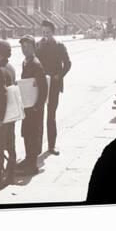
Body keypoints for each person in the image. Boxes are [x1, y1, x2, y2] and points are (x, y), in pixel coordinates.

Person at [36, 20, 72, 155]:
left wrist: (59, 76)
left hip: (54, 86)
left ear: (53, 33)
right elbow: (34, 62)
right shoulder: (38, 45)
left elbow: (68, 64)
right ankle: (37, 148)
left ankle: (51, 146)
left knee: (51, 116)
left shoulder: (59, 46)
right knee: (38, 116)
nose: (46, 35)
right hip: (41, 85)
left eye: (48, 33)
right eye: (43, 32)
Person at [16, 35, 48, 174]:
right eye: (23, 47)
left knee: (33, 134)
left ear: (34, 48)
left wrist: (38, 106)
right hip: (28, 105)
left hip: (35, 107)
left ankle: (32, 165)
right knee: (26, 132)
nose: (25, 49)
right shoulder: (26, 62)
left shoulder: (36, 64)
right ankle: (28, 159)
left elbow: (44, 87)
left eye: (28, 47)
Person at [0, 40, 17, 190]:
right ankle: (10, 175)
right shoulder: (10, 68)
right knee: (10, 145)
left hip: (2, 115)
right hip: (12, 114)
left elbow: (1, 96)